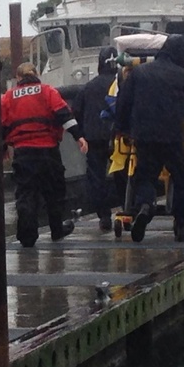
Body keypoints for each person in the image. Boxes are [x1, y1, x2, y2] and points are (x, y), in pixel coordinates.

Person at [114, 34, 184, 243]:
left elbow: (123, 103)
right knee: (181, 179)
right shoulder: (183, 76)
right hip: (173, 136)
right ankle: (183, 227)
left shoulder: (139, 73)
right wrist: (178, 118)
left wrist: (123, 128)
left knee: (145, 176)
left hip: (144, 135)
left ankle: (144, 206)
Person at [1, 62, 88, 248]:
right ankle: (56, 230)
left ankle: (27, 235)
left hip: (23, 152)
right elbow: (64, 115)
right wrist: (79, 136)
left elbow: (2, 125)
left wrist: (2, 149)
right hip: (48, 150)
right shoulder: (47, 91)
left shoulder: (8, 98)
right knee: (54, 192)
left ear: (18, 78)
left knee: (26, 193)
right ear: (37, 74)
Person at [72, 47, 121, 231]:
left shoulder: (88, 87)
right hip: (119, 138)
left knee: (97, 178)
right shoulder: (122, 84)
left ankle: (104, 216)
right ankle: (127, 210)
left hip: (94, 138)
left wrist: (82, 132)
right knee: (123, 175)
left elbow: (76, 110)